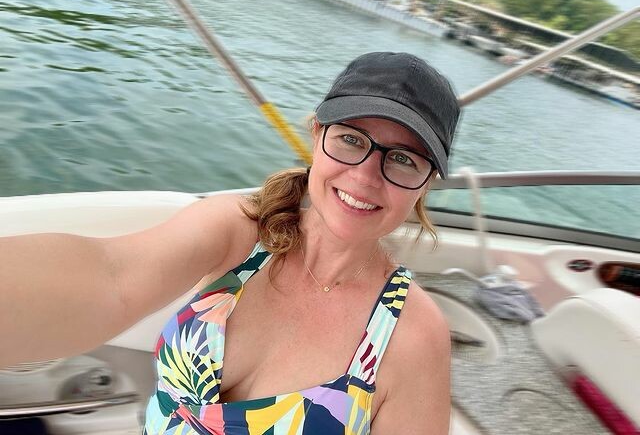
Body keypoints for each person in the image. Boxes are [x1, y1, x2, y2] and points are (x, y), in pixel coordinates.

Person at [0, 51, 460, 434]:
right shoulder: (239, 232)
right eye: (351, 139)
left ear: (425, 184)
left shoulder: (412, 335)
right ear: (317, 135)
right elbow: (111, 277)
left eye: (403, 159)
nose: (364, 176)